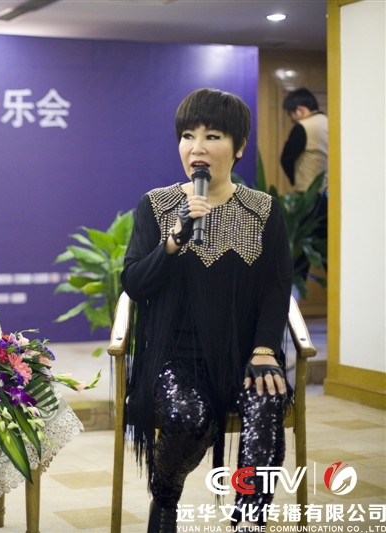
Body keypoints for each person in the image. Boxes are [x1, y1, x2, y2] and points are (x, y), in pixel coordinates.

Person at [120, 88, 292, 533]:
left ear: (239, 147)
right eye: (187, 136)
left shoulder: (263, 211)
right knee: (185, 417)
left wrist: (264, 350)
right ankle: (165, 499)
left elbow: (277, 289)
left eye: (212, 136)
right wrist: (174, 241)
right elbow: (134, 283)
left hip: (244, 355)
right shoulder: (157, 206)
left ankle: (249, 521)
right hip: (174, 359)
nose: (196, 147)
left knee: (266, 403)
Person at [280, 87, 328, 278]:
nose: (293, 120)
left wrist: (295, 180)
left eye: (291, 116)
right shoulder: (330, 123)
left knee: (299, 258)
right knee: (327, 253)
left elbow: (286, 159)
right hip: (331, 199)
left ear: (299, 110)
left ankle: (293, 297)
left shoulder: (303, 127)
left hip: (309, 200)